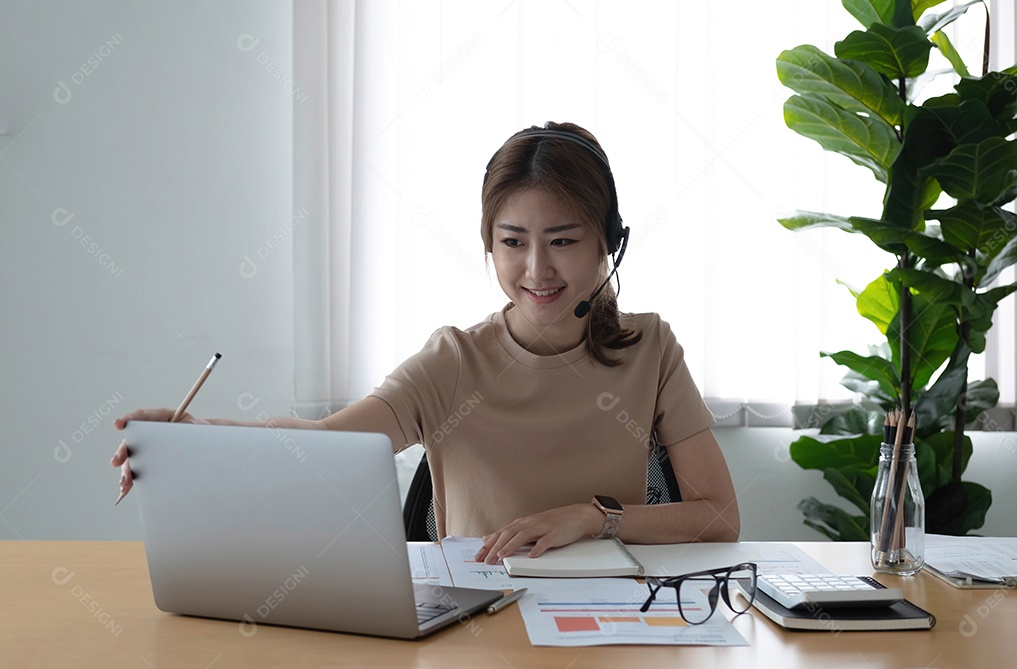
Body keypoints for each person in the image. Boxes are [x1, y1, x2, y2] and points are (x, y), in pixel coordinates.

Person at [111, 121, 740, 564]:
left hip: (614, 617)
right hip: (485, 617)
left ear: (610, 242)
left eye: (565, 240)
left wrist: (594, 518)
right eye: (513, 242)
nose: (537, 270)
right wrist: (196, 433)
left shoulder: (651, 347)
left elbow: (718, 517)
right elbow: (329, 442)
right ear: (489, 245)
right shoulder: (455, 362)